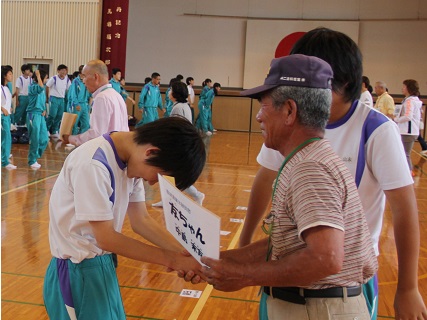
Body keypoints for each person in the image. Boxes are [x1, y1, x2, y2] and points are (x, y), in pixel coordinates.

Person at [238, 27, 426, 320]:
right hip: (286, 274)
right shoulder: (290, 119)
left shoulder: (375, 130)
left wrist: (408, 288)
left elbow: (404, 210)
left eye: (317, 79)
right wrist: (246, 241)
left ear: (345, 82)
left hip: (344, 282)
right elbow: (265, 179)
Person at [201, 54, 378, 319]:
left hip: (317, 309)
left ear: (289, 111)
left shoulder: (311, 168)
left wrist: (242, 275)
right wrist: (226, 260)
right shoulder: (307, 159)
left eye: (264, 105)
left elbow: (325, 258)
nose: (259, 116)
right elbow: (294, 243)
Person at [43, 116, 207, 320]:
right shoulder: (93, 163)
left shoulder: (132, 161)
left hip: (102, 265)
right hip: (77, 272)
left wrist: (186, 254)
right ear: (151, 152)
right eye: (159, 177)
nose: (154, 184)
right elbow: (106, 238)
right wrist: (173, 260)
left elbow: (141, 221)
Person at [152, 81, 205, 207]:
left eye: (171, 90)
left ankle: (196, 195)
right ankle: (168, 199)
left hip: (179, 146)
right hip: (181, 145)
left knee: (172, 174)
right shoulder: (183, 106)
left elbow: (176, 128)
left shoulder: (178, 107)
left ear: (175, 93)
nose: (169, 92)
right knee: (171, 175)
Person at [62, 60, 129, 147]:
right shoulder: (117, 95)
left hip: (107, 151)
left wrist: (71, 139)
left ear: (96, 77)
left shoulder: (102, 98)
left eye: (85, 76)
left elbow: (96, 134)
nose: (83, 81)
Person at [394, 79, 422, 174]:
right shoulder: (408, 100)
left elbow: (408, 116)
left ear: (409, 88)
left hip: (407, 132)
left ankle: (409, 172)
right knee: (403, 153)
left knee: (405, 154)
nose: (402, 88)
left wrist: (396, 119)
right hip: (406, 131)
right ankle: (405, 172)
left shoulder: (410, 101)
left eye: (404, 87)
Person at [27, 69, 49, 169]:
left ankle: (36, 156)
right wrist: (38, 75)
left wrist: (44, 109)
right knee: (35, 138)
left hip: (40, 115)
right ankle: (32, 160)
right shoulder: (32, 87)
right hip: (33, 115)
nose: (46, 80)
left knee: (44, 139)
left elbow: (42, 100)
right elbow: (40, 87)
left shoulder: (42, 88)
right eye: (46, 78)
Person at [46, 64, 71, 137]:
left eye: (65, 70)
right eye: (62, 70)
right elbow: (47, 86)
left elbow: (69, 89)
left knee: (59, 115)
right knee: (52, 115)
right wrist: (47, 97)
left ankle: (54, 130)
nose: (63, 72)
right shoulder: (54, 78)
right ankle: (47, 129)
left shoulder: (67, 79)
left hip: (62, 99)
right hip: (54, 98)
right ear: (58, 71)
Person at [67, 65, 91, 135]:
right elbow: (73, 94)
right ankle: (72, 140)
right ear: (81, 73)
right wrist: (76, 104)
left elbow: (89, 93)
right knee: (74, 123)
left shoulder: (86, 81)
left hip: (85, 104)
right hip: (77, 105)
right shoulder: (75, 82)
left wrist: (89, 105)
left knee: (86, 123)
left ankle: (82, 139)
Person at [1, 66, 17, 169]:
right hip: (2, 116)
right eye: (10, 74)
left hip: (7, 116)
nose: (11, 76)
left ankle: (4, 159)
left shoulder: (6, 88)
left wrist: (8, 107)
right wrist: (2, 109)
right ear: (4, 76)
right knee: (5, 138)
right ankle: (4, 162)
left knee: (7, 138)